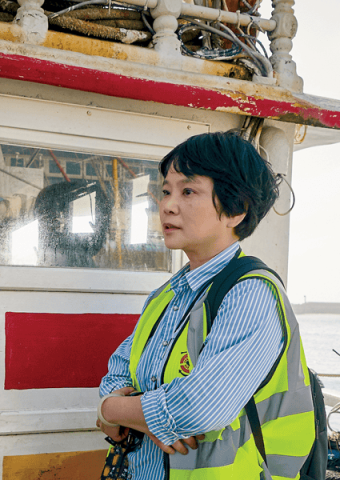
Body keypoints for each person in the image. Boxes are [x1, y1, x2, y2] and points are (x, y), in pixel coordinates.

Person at [96, 132, 314, 479]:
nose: (166, 205)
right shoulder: (165, 296)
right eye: (166, 191)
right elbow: (119, 372)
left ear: (235, 210)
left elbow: (199, 407)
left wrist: (114, 410)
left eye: (188, 191)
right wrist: (120, 408)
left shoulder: (251, 295)